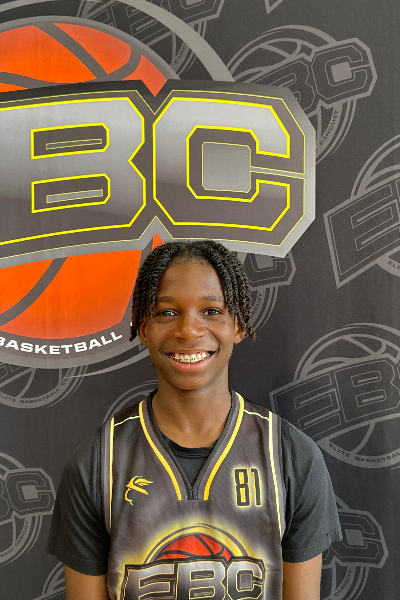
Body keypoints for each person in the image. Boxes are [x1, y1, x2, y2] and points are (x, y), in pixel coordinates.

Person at [47, 240, 342, 600]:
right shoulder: (96, 464)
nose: (188, 330)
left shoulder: (291, 457)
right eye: (167, 312)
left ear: (238, 325)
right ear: (143, 328)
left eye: (212, 311)